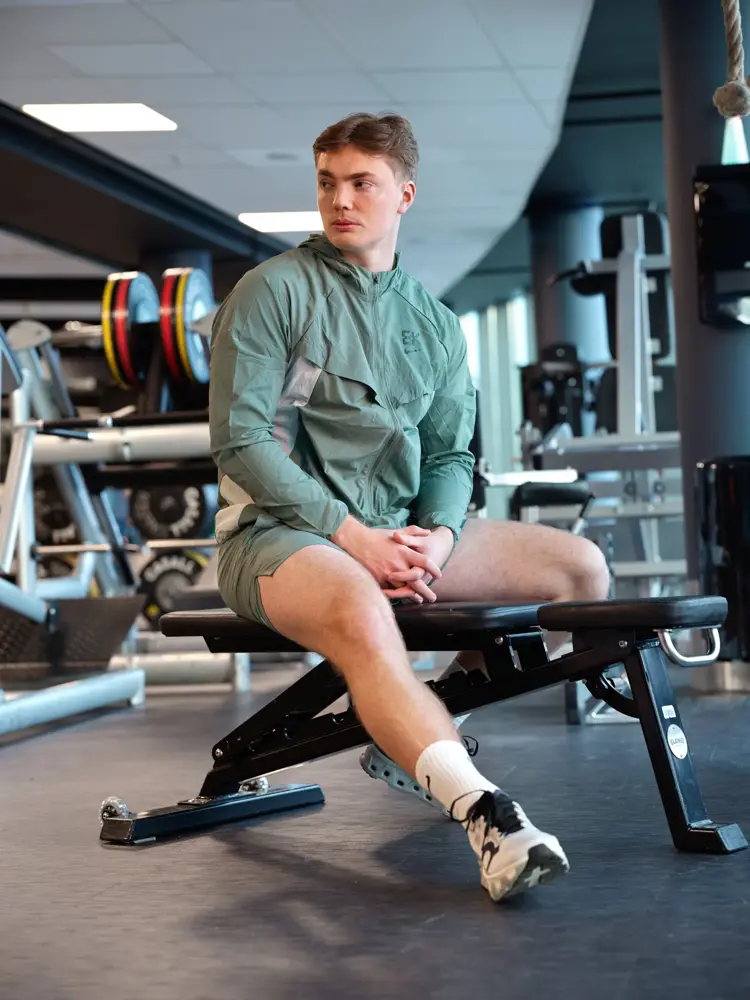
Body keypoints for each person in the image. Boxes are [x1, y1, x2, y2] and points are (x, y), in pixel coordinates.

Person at [209, 113, 611, 902]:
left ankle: (423, 734)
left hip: (397, 533)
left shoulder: (434, 322)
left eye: (362, 183)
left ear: (405, 196)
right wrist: (355, 538)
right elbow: (241, 441)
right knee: (364, 614)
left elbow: (450, 456)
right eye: (328, 182)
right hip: (280, 537)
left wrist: (439, 538)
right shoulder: (273, 291)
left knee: (581, 571)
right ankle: (488, 815)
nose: (341, 200)